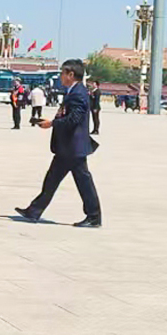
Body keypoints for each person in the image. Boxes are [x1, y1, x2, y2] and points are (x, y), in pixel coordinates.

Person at [15, 59, 102, 228]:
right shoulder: (73, 91)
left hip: (73, 147)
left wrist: (52, 123)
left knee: (83, 181)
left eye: (63, 73)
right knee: (53, 179)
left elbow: (74, 119)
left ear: (71, 74)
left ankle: (94, 216)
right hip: (68, 147)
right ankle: (34, 211)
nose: (61, 76)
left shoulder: (78, 93)